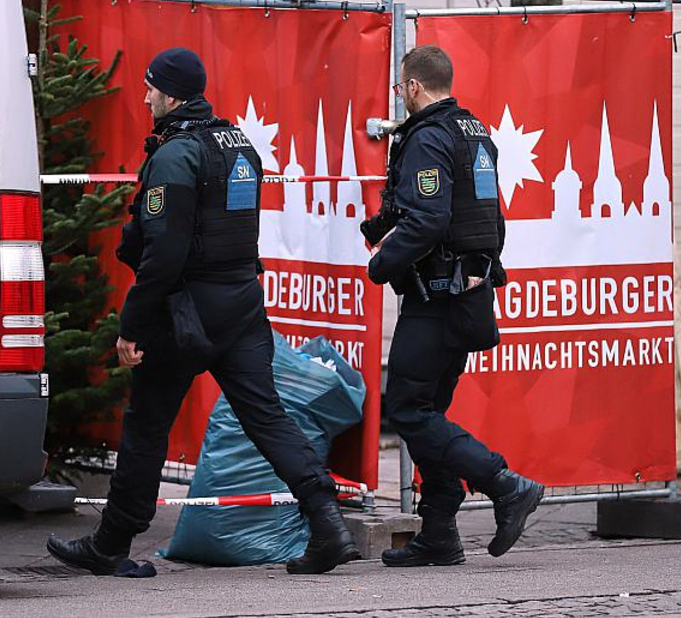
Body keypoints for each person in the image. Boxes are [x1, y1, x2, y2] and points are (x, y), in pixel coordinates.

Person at [47, 47, 358, 576]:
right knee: (267, 417)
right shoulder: (239, 145)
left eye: (150, 88)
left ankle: (112, 544)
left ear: (171, 94)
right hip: (240, 305)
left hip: (183, 311)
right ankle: (328, 525)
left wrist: (133, 325)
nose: (144, 97)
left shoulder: (175, 155)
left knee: (147, 425)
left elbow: (163, 254)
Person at [365, 45, 545, 568]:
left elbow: (428, 220)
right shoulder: (474, 133)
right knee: (427, 413)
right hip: (466, 295)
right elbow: (491, 216)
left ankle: (505, 483)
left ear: (415, 88)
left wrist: (380, 264)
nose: (401, 96)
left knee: (406, 408)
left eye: (402, 88)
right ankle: (440, 532)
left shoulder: (427, 138)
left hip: (435, 299)